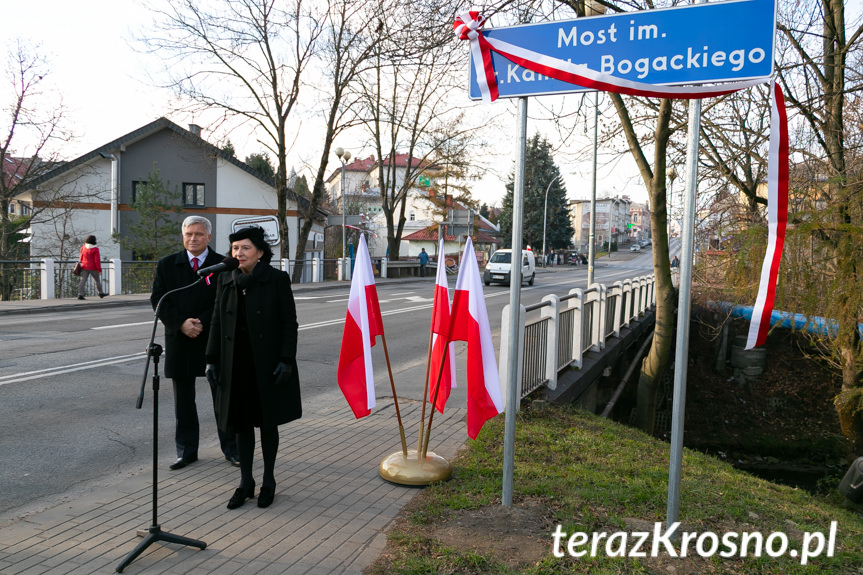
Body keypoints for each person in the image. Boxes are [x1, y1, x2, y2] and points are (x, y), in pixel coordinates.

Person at [206, 226, 301, 510]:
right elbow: (216, 321)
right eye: (235, 248)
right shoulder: (225, 279)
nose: (239, 253)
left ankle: (268, 481)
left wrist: (286, 359)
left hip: (267, 363)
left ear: (260, 252)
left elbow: (289, 323)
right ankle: (245, 482)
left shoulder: (276, 280)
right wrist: (211, 358)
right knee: (241, 424)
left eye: (245, 248)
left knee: (267, 423)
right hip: (236, 363)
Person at [151, 215, 239, 471]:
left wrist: (200, 321)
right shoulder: (168, 264)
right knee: (183, 402)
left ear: (209, 237)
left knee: (222, 397)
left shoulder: (222, 265)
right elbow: (158, 299)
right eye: (189, 234)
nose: (193, 238)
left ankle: (231, 449)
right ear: (183, 235)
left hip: (214, 338)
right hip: (180, 339)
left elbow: (226, 301)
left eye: (199, 234)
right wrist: (180, 323)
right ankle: (186, 451)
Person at [77, 235, 107, 300]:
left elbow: (80, 257)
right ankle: (101, 293)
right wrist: (99, 269)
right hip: (93, 268)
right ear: (94, 241)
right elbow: (97, 260)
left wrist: (83, 263)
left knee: (83, 280)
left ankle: (80, 294)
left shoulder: (83, 247)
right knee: (97, 281)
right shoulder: (95, 249)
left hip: (84, 266)